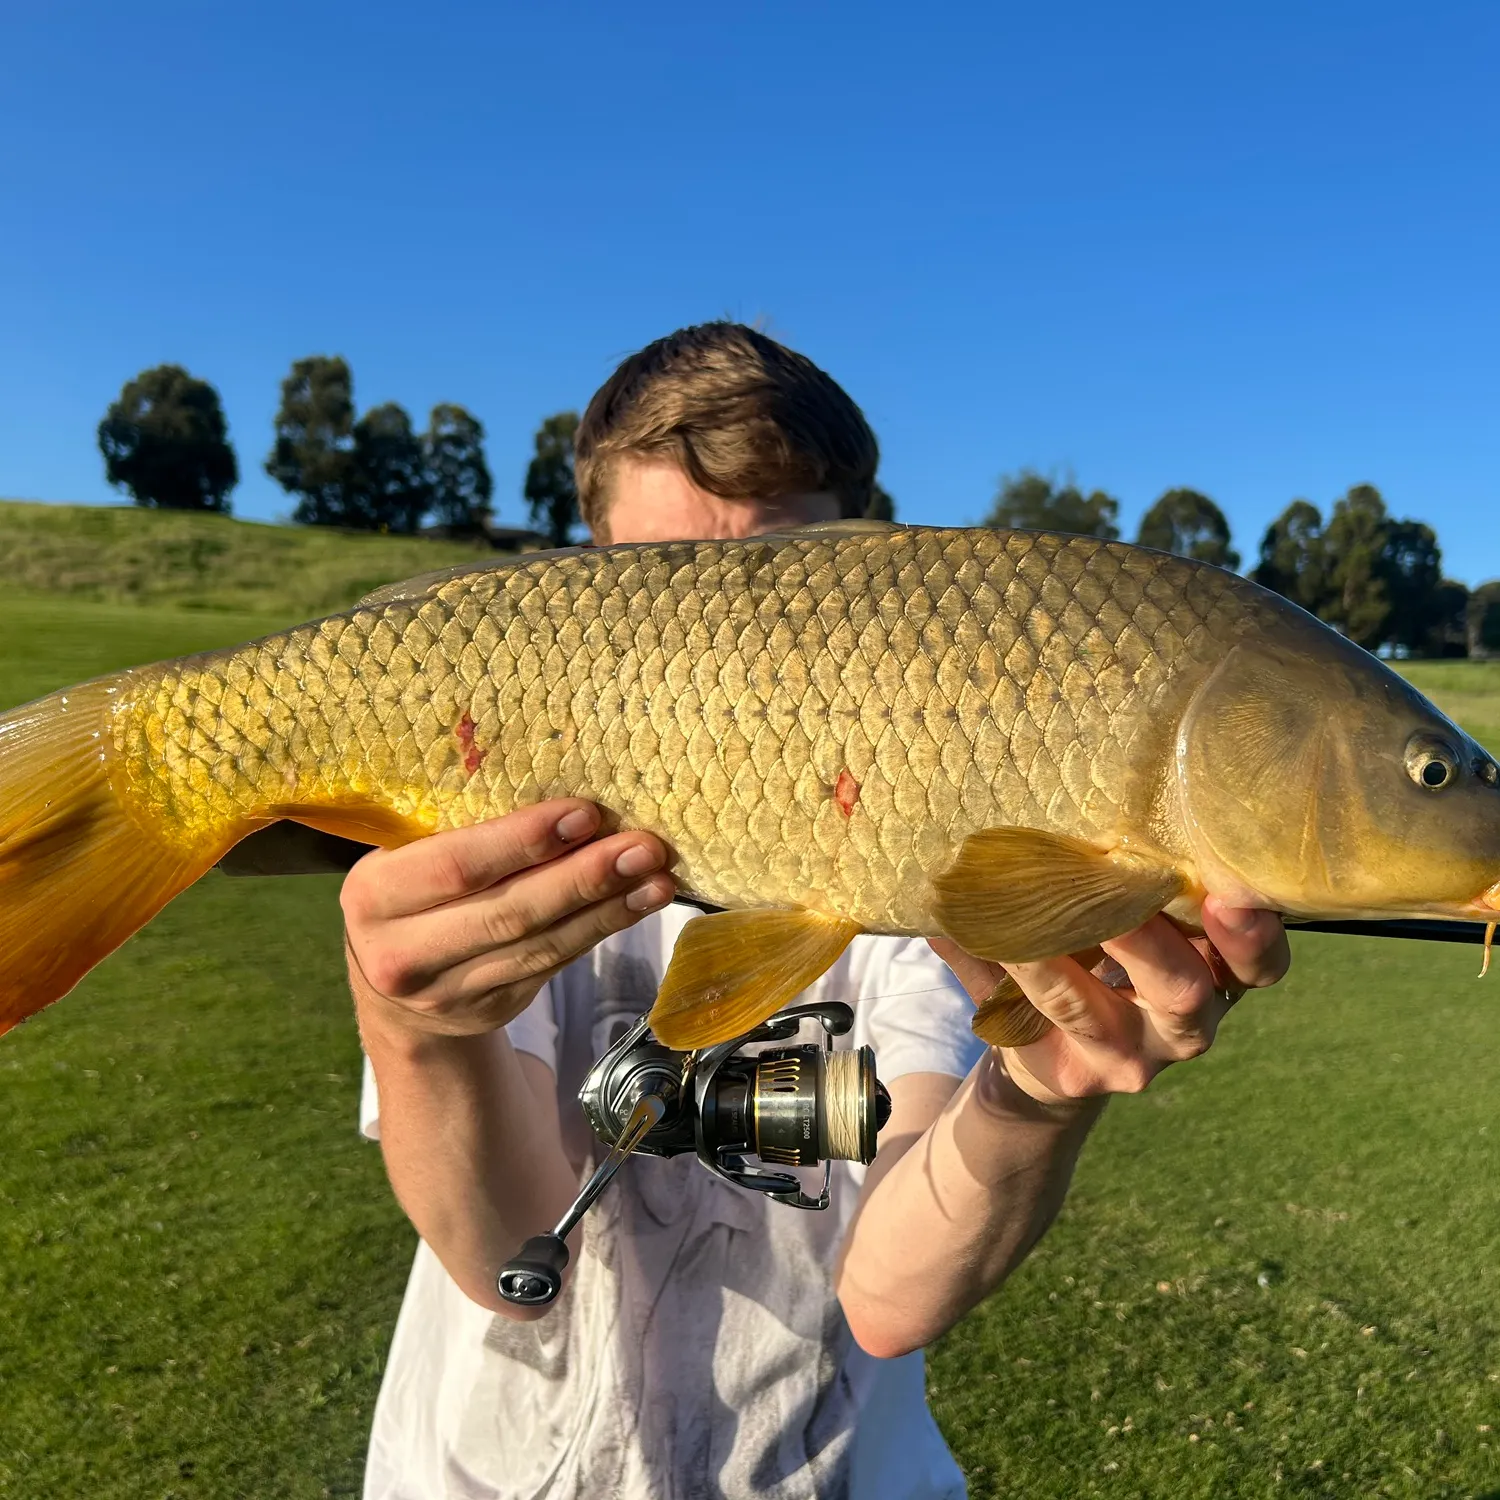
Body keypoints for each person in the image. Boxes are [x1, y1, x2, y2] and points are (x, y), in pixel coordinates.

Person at [344, 323, 1290, 1499]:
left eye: (774, 591)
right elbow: (503, 1257)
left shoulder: (938, 841)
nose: (726, 648)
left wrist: (1037, 1097)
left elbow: (887, 1300)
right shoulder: (497, 850)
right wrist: (415, 1032)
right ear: (575, 588)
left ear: (868, 569)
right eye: (664, 591)